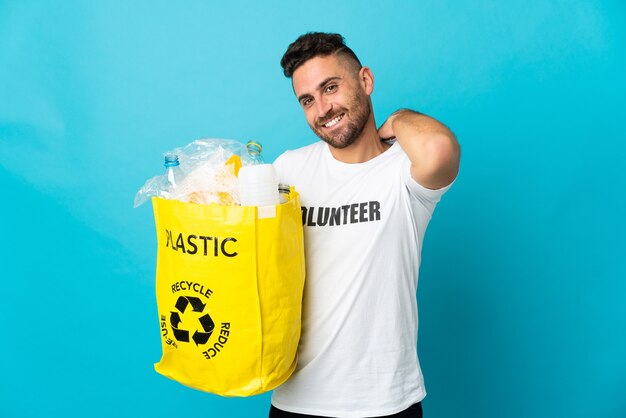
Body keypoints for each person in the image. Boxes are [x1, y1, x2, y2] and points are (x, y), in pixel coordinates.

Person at [269, 32, 460, 418]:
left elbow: (441, 148)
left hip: (387, 402)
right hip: (296, 401)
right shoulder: (289, 169)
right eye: (307, 100)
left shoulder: (405, 172)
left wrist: (396, 120)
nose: (322, 108)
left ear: (366, 81)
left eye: (331, 87)